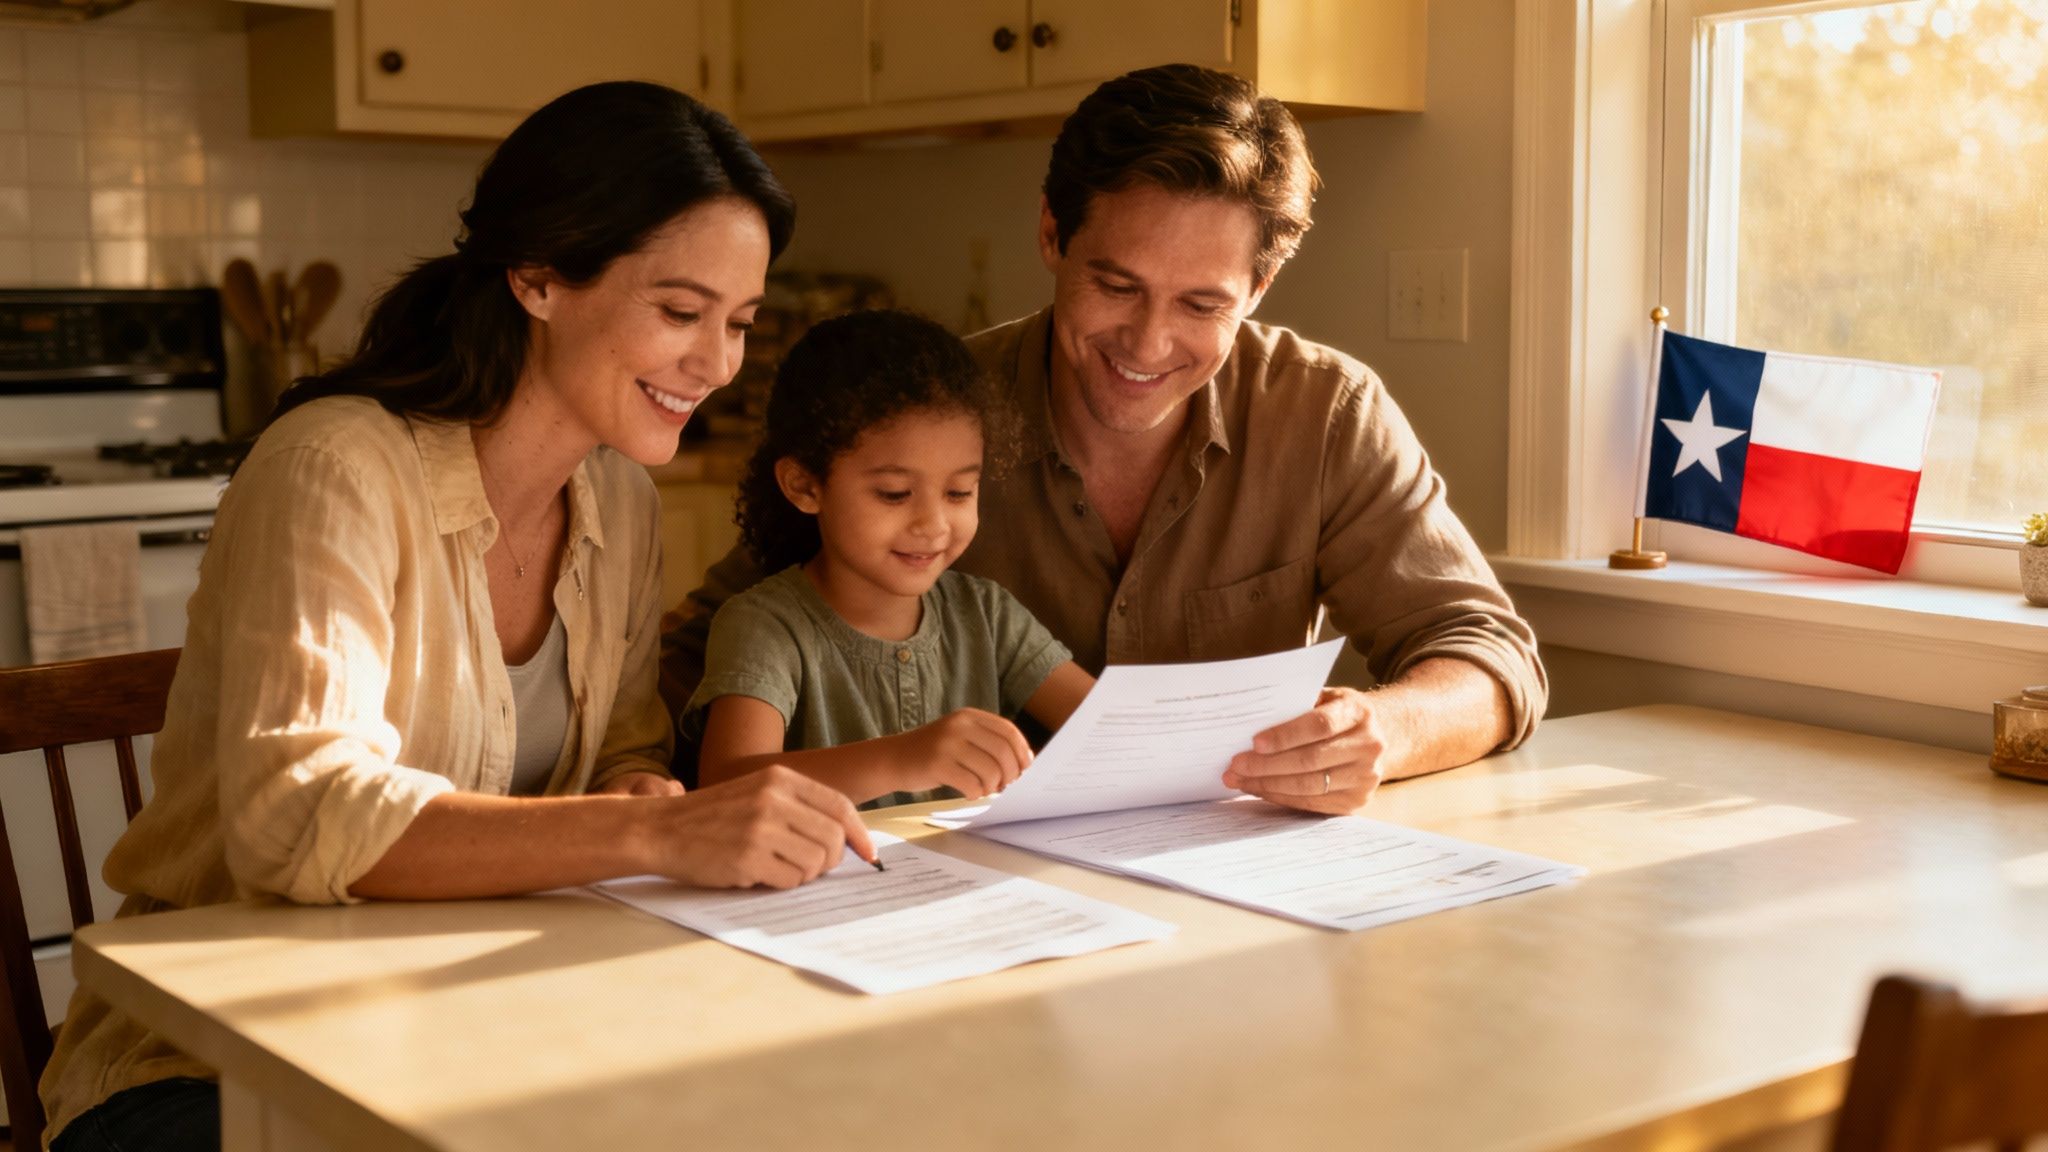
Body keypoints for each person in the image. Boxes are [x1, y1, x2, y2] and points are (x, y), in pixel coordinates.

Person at [41, 82, 874, 1152]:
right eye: (680, 312)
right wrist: (652, 830)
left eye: (739, 324)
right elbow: (299, 816)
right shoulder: (335, 468)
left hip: (464, 1024)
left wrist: (639, 789)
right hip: (209, 1065)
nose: (716, 364)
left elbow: (621, 749)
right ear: (538, 277)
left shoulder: (619, 499)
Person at [664, 64, 1548, 815]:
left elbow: (1491, 657)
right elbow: (701, 649)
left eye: (1201, 304)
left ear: (1261, 285)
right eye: (1117, 286)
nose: (1148, 345)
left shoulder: (1326, 414)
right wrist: (636, 785)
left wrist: (1383, 730)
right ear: (1052, 234)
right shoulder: (930, 412)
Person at [687, 309, 1094, 809]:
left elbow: (1112, 728)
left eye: (959, 492)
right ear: (805, 486)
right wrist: (902, 758)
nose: (934, 524)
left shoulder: (988, 616)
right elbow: (725, 786)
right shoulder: (765, 627)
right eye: (895, 494)